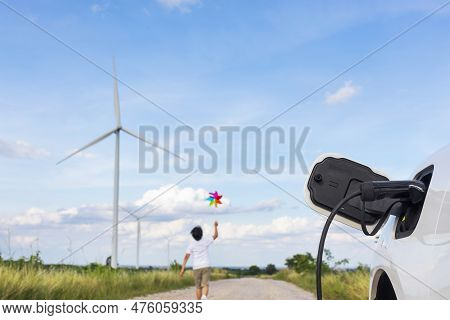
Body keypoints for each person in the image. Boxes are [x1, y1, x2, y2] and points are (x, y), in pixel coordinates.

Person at [179, 221, 219, 300]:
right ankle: (204, 296)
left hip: (196, 267)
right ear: (202, 234)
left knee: (198, 287)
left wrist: (182, 269)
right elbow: (215, 236)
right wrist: (215, 226)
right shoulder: (206, 240)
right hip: (206, 265)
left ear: (193, 236)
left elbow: (186, 257)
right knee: (205, 285)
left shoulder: (191, 244)